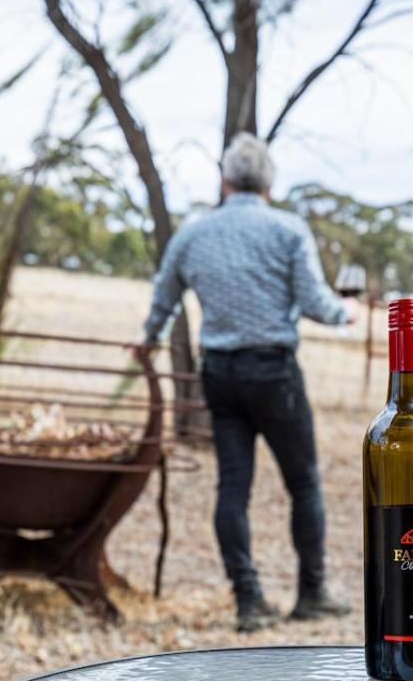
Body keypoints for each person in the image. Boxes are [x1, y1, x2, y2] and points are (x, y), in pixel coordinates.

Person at [142, 133, 357, 632]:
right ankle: (311, 593)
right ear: (269, 182)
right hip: (274, 372)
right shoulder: (286, 229)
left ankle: (249, 600)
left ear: (225, 179)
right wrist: (344, 312)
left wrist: (146, 340)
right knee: (303, 483)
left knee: (233, 485)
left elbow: (164, 296)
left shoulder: (193, 234)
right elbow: (314, 302)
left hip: (218, 374)